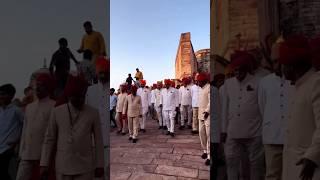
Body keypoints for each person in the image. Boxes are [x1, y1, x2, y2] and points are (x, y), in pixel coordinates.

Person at [40, 75, 104, 180]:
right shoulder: (57, 112)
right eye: (76, 97)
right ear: (69, 96)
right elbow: (49, 139)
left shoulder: (93, 113)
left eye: (82, 97)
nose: (80, 100)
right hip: (63, 165)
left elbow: (98, 141)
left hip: (85, 167)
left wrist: (99, 164)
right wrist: (44, 163)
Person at [279, 35, 320, 180]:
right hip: (295, 164)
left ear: (292, 65)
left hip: (310, 166)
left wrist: (312, 157)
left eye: (283, 64)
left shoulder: (316, 83)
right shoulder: (299, 86)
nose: (282, 70)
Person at [221, 51, 264, 180]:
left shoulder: (259, 82)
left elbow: (262, 107)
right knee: (231, 161)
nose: (237, 73)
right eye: (235, 70)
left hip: (254, 132)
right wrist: (223, 130)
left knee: (255, 164)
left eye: (240, 70)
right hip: (232, 132)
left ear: (247, 69)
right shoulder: (228, 84)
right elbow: (225, 108)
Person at [257, 41, 293, 180]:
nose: (276, 65)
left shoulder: (295, 80)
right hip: (272, 136)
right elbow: (262, 107)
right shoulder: (264, 82)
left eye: (279, 61)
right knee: (272, 174)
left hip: (292, 137)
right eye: (274, 62)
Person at [16, 73, 56, 180]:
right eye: (37, 85)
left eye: (41, 85)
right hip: (27, 153)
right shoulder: (29, 107)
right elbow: (25, 130)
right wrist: (21, 152)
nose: (38, 87)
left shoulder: (54, 106)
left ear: (48, 87)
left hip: (43, 155)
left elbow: (53, 133)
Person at [0, 84, 24, 180]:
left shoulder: (16, 111)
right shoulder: (0, 110)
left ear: (11, 96)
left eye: (3, 94)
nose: (1, 96)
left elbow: (25, 127)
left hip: (7, 148)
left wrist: (16, 142)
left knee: (3, 172)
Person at [197, 73, 211, 166]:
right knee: (201, 134)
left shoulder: (209, 87)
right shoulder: (200, 89)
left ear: (204, 80)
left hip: (208, 115)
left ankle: (210, 156)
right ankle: (205, 151)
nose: (198, 83)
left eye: (199, 81)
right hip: (200, 115)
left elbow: (211, 101)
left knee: (209, 135)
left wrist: (207, 111)